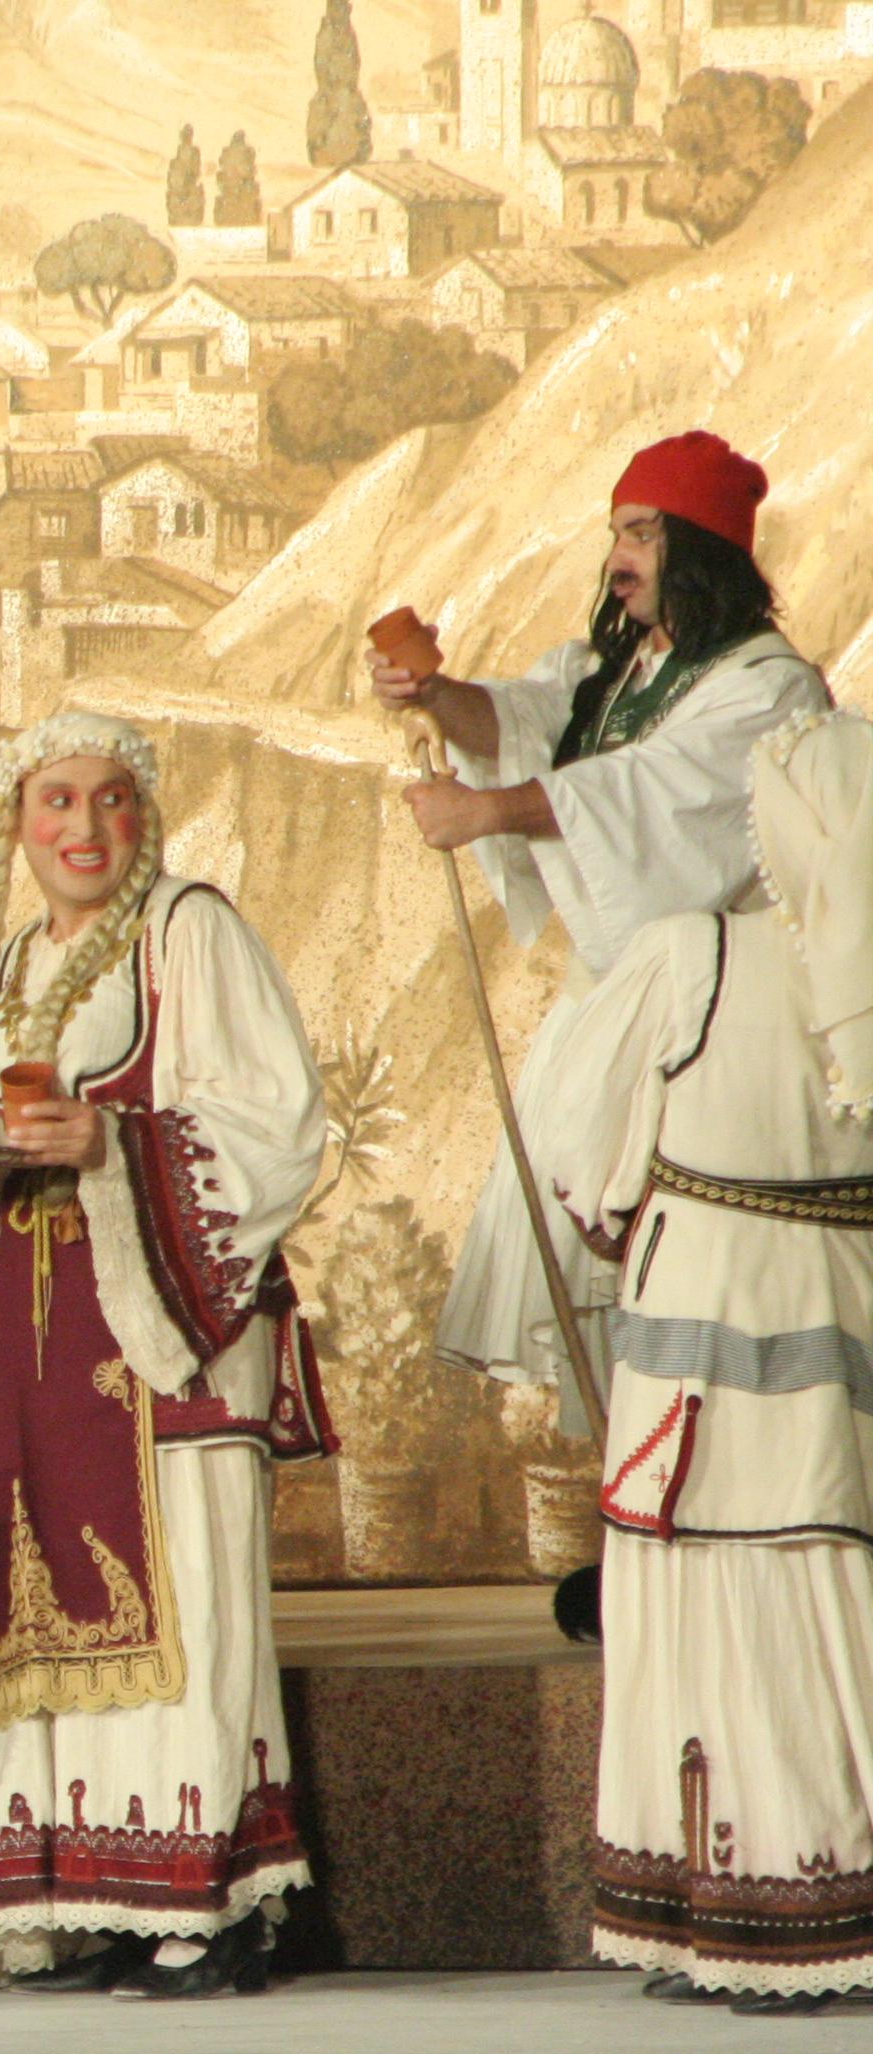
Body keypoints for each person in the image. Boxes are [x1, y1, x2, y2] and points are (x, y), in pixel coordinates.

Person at [0, 710, 334, 1998]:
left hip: (166, 1332)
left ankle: (211, 1907)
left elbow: (279, 1121)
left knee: (185, 1594)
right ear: (16, 826)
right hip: (50, 1329)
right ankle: (103, 1899)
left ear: (146, 814)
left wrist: (113, 1145)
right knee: (62, 1600)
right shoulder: (21, 962)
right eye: (57, 801)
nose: (85, 826)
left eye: (112, 798)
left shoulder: (188, 931)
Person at [370, 433, 831, 1417]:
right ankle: (628, 1501)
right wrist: (439, 698)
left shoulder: (766, 688)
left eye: (642, 534)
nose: (617, 558)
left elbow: (658, 796)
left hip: (713, 1035)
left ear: (700, 548)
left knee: (690, 1295)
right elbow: (532, 722)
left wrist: (488, 813)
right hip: (612, 1015)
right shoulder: (618, 671)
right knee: (607, 1316)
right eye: (616, 533)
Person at [531, 707, 873, 2012]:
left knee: (709, 1606)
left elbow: (579, 1134)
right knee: (828, 1597)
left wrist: (619, 1206)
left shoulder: (699, 955)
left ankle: (747, 1916)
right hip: (844, 1329)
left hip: (701, 1322)